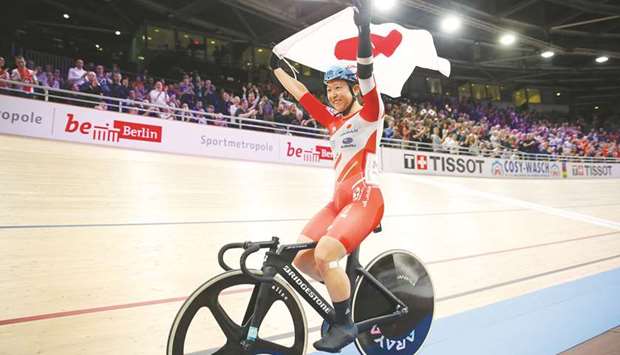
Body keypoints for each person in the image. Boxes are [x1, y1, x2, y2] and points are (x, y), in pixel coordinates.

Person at [270, 0, 383, 351]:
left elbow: (366, 72)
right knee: (302, 258)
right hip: (339, 201)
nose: (333, 94)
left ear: (353, 91)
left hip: (366, 199)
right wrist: (275, 67)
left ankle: (345, 324)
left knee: (324, 254)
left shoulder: (370, 114)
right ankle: (343, 292)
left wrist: (363, 30)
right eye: (330, 89)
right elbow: (301, 93)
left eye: (339, 88)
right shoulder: (332, 120)